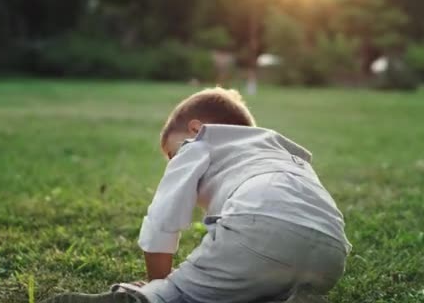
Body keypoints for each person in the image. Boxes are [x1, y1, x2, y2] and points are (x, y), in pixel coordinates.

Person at [43, 88, 351, 303]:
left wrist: (158, 284)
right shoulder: (278, 151)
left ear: (195, 128)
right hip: (331, 253)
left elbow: (162, 219)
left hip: (260, 225)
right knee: (247, 281)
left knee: (181, 291)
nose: (174, 162)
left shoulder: (200, 142)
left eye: (171, 154)